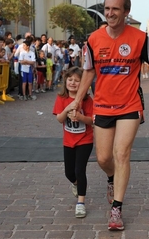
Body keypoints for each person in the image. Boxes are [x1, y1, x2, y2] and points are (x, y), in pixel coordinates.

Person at [70, 0, 149, 231]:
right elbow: (89, 72)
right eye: (107, 9)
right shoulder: (93, 39)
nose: (110, 13)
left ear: (126, 12)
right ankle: (111, 179)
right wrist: (79, 100)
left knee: (121, 153)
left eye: (115, 9)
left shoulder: (141, 38)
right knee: (103, 158)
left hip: (129, 105)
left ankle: (116, 209)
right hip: (102, 105)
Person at [52, 66, 94, 218]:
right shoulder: (61, 98)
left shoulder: (87, 100)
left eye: (77, 81)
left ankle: (81, 203)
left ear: (83, 84)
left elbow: (92, 120)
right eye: (70, 80)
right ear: (65, 81)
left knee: (79, 170)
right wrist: (67, 110)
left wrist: (80, 117)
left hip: (85, 140)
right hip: (68, 140)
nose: (73, 83)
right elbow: (59, 119)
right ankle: (76, 184)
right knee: (69, 173)